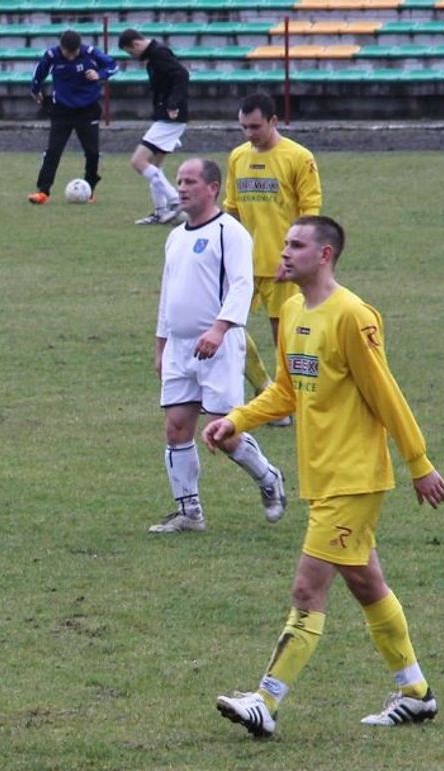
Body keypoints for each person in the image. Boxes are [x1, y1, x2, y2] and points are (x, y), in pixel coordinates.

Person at [204, 216, 444, 738]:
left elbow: (386, 394)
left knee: (306, 587)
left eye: (297, 245)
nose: (284, 252)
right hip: (323, 478)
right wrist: (238, 418)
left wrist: (418, 463)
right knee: (367, 584)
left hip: (354, 479)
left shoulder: (352, 316)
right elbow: (287, 392)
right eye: (285, 243)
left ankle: (266, 701)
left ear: (325, 255)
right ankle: (415, 693)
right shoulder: (292, 310)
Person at [149, 158, 286, 534]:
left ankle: (269, 478)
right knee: (176, 428)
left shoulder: (230, 232)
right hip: (179, 347)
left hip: (219, 345)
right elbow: (167, 295)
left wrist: (219, 328)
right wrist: (161, 345)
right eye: (179, 181)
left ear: (212, 188)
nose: (181, 187)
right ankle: (190, 513)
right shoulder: (176, 236)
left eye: (190, 181)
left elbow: (242, 285)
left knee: (223, 431)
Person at [225, 92, 323, 426]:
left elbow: (311, 214)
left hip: (284, 266)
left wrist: (293, 256)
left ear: (273, 122)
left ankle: (287, 403)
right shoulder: (237, 157)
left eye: (255, 127)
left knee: (284, 338)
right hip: (243, 266)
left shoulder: (299, 158)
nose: (249, 134)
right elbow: (232, 210)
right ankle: (264, 387)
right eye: (243, 127)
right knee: (225, 327)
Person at [26, 28, 118, 205]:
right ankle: (43, 192)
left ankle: (89, 190)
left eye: (74, 53)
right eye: (67, 53)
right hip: (62, 110)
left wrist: (100, 74)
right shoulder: (52, 55)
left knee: (92, 153)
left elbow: (113, 66)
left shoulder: (90, 53)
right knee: (53, 151)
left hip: (88, 109)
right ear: (61, 48)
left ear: (79, 48)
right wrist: (35, 90)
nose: (70, 56)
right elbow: (39, 73)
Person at [118, 28, 190, 226]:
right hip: (165, 117)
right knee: (154, 166)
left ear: (136, 44)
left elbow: (182, 75)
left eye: (130, 52)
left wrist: (173, 103)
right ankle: (161, 212)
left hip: (170, 118)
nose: (131, 56)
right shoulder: (153, 55)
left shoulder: (159, 54)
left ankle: (175, 200)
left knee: (138, 161)